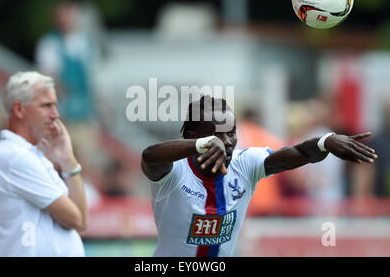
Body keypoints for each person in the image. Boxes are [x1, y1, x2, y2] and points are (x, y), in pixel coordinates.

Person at [141, 95, 378, 257]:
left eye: (231, 133)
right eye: (216, 135)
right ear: (194, 136)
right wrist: (201, 145)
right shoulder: (174, 173)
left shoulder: (245, 164)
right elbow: (150, 156)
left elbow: (298, 152)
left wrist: (326, 141)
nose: (226, 142)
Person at [0, 71, 88, 256]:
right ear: (19, 109)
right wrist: (70, 166)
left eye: (55, 105)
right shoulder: (16, 157)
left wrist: (68, 161)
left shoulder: (28, 155)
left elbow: (80, 222)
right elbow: (78, 220)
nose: (55, 114)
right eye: (46, 105)